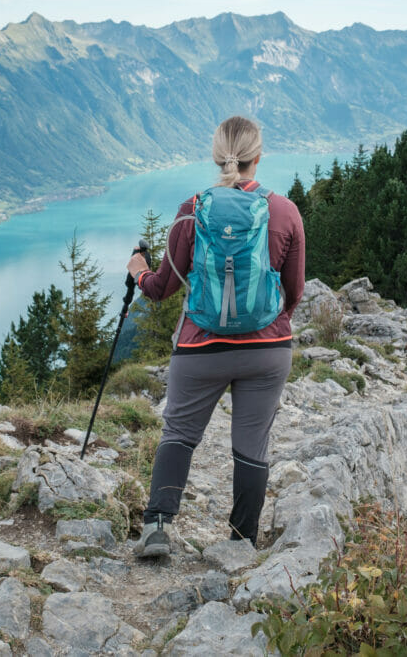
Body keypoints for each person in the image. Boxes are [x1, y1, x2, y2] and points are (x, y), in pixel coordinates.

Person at [125, 115, 305, 557]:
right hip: (267, 351)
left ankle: (156, 528)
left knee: (180, 433)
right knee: (252, 444)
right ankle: (242, 541)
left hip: (200, 347)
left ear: (216, 156)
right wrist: (265, 326)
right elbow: (295, 292)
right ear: (257, 157)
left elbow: (163, 287)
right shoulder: (284, 211)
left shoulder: (192, 209)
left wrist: (138, 269)